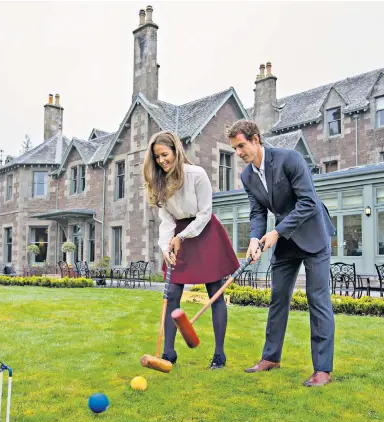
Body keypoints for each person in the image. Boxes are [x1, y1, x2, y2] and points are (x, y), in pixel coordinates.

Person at [227, 120, 336, 387]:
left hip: (313, 236)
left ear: (256, 139)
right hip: (286, 243)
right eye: (234, 148)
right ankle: (271, 357)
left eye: (241, 145)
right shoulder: (247, 176)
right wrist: (254, 237)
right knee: (278, 298)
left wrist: (276, 232)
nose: (239, 152)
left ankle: (322, 369)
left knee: (317, 299)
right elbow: (257, 212)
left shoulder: (290, 159)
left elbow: (308, 201)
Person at [142, 130, 240, 369]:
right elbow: (166, 220)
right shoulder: (160, 182)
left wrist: (183, 236)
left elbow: (205, 213)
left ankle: (219, 355)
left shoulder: (197, 174)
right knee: (172, 294)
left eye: (165, 154)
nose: (161, 160)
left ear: (176, 151)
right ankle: (168, 353)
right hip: (178, 235)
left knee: (215, 293)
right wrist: (165, 246)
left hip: (204, 232)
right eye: (157, 157)